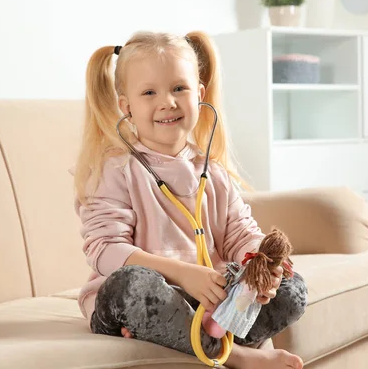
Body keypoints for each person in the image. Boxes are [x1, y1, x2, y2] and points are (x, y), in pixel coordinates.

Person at [72, 30, 308, 369]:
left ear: (199, 94)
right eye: (149, 92)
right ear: (127, 106)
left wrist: (261, 265)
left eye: (179, 88)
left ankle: (197, 336)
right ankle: (236, 355)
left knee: (292, 287)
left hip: (206, 306)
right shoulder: (116, 169)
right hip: (137, 301)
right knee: (132, 285)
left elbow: (241, 232)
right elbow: (105, 250)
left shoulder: (212, 170)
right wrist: (184, 275)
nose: (167, 101)